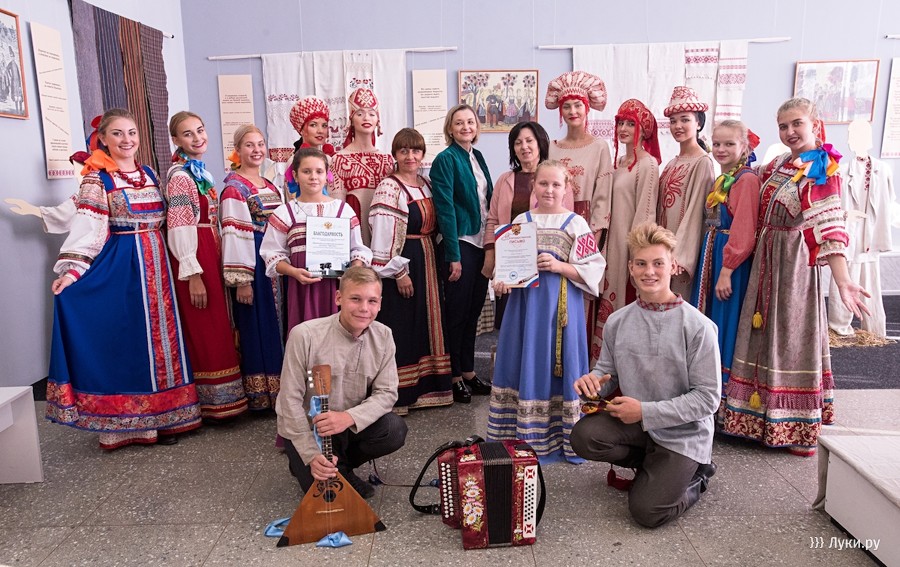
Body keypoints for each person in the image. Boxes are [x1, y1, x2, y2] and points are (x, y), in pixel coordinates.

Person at [45, 108, 202, 450]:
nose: (126, 140)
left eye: (131, 132)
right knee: (127, 339)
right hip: (123, 267)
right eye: (117, 133)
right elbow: (89, 227)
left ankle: (165, 417)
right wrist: (72, 272)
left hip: (158, 262)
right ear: (103, 139)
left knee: (161, 341)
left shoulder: (149, 174)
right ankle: (123, 422)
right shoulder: (97, 179)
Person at [722, 98, 870, 456]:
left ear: (815, 124)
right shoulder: (778, 164)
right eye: (783, 126)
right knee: (762, 335)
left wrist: (842, 280)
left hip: (794, 267)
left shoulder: (823, 169)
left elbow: (829, 225)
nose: (790, 132)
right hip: (766, 261)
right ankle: (758, 418)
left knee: (790, 339)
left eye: (797, 124)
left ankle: (797, 426)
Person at [571, 222, 720, 528]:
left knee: (647, 513)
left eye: (658, 263)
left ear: (673, 267)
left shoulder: (698, 327)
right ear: (631, 268)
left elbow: (707, 400)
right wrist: (593, 384)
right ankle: (652, 466)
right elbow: (607, 373)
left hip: (683, 433)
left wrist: (644, 411)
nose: (648, 271)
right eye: (641, 263)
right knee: (583, 437)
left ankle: (698, 474)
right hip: (638, 424)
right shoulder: (617, 321)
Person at [487, 161, 605, 462]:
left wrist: (559, 266)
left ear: (566, 189)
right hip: (524, 307)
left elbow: (594, 268)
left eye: (556, 184)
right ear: (534, 186)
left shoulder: (576, 224)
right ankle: (520, 436)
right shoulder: (521, 221)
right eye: (543, 183)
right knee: (523, 357)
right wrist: (500, 281)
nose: (549, 190)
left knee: (558, 362)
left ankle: (563, 436)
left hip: (560, 309)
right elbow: (506, 266)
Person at [277, 266, 409, 499]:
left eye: (372, 301)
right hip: (311, 430)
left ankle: (343, 468)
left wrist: (348, 417)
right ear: (338, 298)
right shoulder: (304, 335)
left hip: (349, 425)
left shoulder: (384, 335)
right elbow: (289, 401)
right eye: (355, 299)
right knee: (326, 496)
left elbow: (387, 393)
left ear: (380, 304)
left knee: (394, 429)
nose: (364, 308)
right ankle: (304, 462)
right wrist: (309, 453)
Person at [165, 111, 248, 421]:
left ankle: (223, 400)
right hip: (196, 253)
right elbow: (179, 225)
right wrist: (193, 274)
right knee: (205, 322)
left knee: (217, 321)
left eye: (200, 130)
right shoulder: (181, 178)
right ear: (176, 139)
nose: (197, 138)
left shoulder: (198, 172)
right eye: (188, 134)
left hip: (209, 247)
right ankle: (212, 401)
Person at [369, 128, 453, 414]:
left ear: (422, 154)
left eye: (415, 150)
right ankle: (402, 394)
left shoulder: (426, 184)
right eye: (403, 151)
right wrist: (398, 272)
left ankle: (432, 387)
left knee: (427, 323)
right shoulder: (389, 187)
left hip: (427, 257)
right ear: (395, 154)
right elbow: (382, 234)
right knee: (404, 325)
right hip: (405, 260)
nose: (410, 156)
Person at [690, 120, 760, 414]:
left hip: (729, 262)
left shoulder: (746, 180)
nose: (721, 149)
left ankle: (723, 403)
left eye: (729, 144)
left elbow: (744, 229)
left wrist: (727, 270)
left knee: (723, 322)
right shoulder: (725, 178)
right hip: (714, 253)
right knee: (710, 321)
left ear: (744, 147)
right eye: (717, 143)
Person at [261, 147, 371, 331]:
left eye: (319, 171)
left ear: (327, 175)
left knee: (340, 335)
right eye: (306, 171)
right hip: (301, 288)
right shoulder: (285, 212)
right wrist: (294, 272)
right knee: (306, 335)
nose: (313, 177)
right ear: (295, 176)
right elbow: (271, 254)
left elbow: (358, 249)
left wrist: (351, 273)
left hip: (338, 287)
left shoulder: (342, 210)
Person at [430, 104, 494, 404]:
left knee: (472, 312)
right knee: (456, 314)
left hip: (480, 244)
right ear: (450, 128)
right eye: (459, 123)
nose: (466, 127)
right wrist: (453, 255)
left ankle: (468, 371)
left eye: (470, 122)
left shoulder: (477, 156)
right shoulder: (445, 159)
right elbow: (444, 208)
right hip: (460, 243)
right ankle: (453, 376)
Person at [220, 125, 285, 410]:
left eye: (260, 144)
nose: (256, 150)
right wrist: (242, 279)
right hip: (254, 265)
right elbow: (234, 234)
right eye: (249, 145)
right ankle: (262, 394)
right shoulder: (234, 188)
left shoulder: (269, 184)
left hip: (275, 262)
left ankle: (283, 389)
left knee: (277, 322)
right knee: (258, 324)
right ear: (238, 150)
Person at [594, 99, 661, 353]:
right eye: (620, 123)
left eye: (630, 124)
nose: (623, 129)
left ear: (643, 129)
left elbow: (646, 212)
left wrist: (637, 256)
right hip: (609, 244)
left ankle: (622, 366)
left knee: (623, 302)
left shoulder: (648, 164)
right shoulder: (620, 162)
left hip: (626, 248)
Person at [483, 121, 551, 328]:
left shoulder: (552, 177)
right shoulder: (504, 180)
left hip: (543, 263)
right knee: (510, 324)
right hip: (510, 262)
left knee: (537, 324)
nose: (524, 147)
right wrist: (490, 258)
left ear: (540, 143)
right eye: (518, 143)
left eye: (529, 141)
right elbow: (493, 220)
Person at [657, 86, 715, 299]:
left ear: (698, 123)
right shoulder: (672, 163)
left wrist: (679, 256)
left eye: (685, 120)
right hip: (662, 247)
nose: (678, 126)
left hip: (680, 255)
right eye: (673, 121)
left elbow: (695, 214)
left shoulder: (703, 162)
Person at [544, 71, 613, 239]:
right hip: (555, 229)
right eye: (566, 106)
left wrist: (593, 240)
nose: (572, 111)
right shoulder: (552, 148)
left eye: (578, 105)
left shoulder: (599, 147)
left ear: (587, 108)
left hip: (586, 229)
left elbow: (602, 198)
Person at [328, 88, 394, 245]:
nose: (366, 118)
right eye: (359, 113)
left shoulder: (387, 160)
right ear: (351, 119)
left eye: (372, 113)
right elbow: (336, 209)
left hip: (382, 237)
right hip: (352, 237)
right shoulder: (338, 160)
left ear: (378, 120)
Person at [284, 96, 335, 198]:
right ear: (301, 130)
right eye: (313, 125)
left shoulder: (330, 159)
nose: (320, 131)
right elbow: (292, 199)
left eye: (324, 125)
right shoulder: (294, 161)